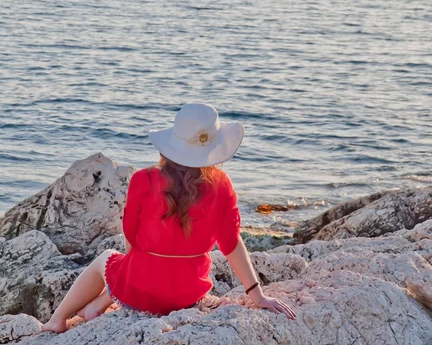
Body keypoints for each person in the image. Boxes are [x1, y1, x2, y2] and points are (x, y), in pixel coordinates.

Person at [42, 103, 296, 333]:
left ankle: (57, 320)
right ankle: (95, 307)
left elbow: (131, 238)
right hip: (187, 294)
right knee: (134, 267)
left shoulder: (144, 179)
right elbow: (231, 244)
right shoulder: (222, 185)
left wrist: (141, 272)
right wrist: (257, 296)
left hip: (140, 291)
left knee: (107, 258)